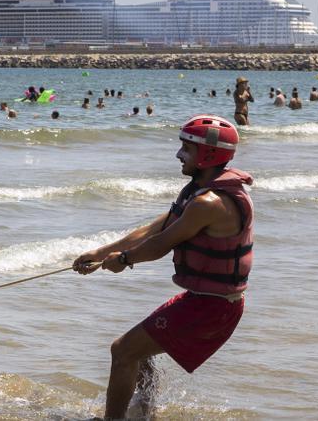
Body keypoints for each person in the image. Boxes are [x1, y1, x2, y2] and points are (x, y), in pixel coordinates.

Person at [72, 116, 253, 419]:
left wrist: (125, 261)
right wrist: (102, 251)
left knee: (123, 351)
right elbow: (154, 229)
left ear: (208, 155)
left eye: (186, 149)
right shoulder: (197, 192)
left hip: (213, 307)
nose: (178, 155)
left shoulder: (209, 203)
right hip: (202, 300)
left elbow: (161, 244)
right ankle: (145, 412)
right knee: (137, 353)